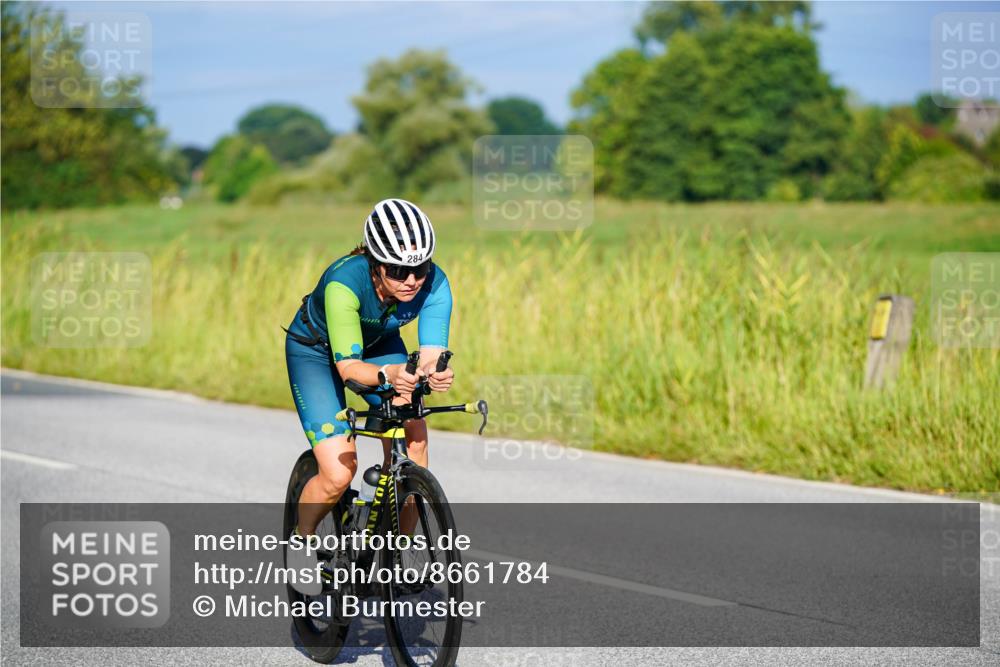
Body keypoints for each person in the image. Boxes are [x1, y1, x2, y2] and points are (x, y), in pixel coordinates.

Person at [283, 198, 454, 593]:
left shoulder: (436, 282)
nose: (411, 280)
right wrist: (391, 374)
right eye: (398, 270)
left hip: (378, 345)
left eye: (419, 268)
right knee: (338, 474)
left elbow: (430, 354)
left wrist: (436, 371)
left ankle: (395, 557)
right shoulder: (345, 281)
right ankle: (302, 539)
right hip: (317, 353)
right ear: (375, 263)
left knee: (415, 441)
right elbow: (349, 369)